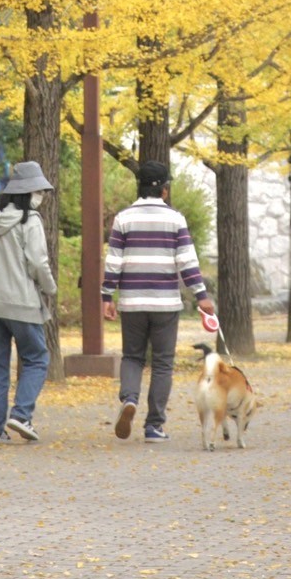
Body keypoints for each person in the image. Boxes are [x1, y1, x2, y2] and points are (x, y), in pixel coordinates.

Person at [102, 160, 215, 442]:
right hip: (165, 303)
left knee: (132, 356)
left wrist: (107, 296)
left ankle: (129, 399)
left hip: (132, 302)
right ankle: (154, 426)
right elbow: (187, 261)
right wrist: (201, 296)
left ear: (138, 187)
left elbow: (114, 261)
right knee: (163, 363)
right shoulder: (176, 219)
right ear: (165, 190)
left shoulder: (123, 218)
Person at [0, 160, 58, 445]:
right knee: (36, 358)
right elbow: (38, 262)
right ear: (28, 193)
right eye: (40, 192)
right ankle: (21, 414)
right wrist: (50, 288)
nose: (42, 197)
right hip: (21, 302)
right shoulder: (30, 221)